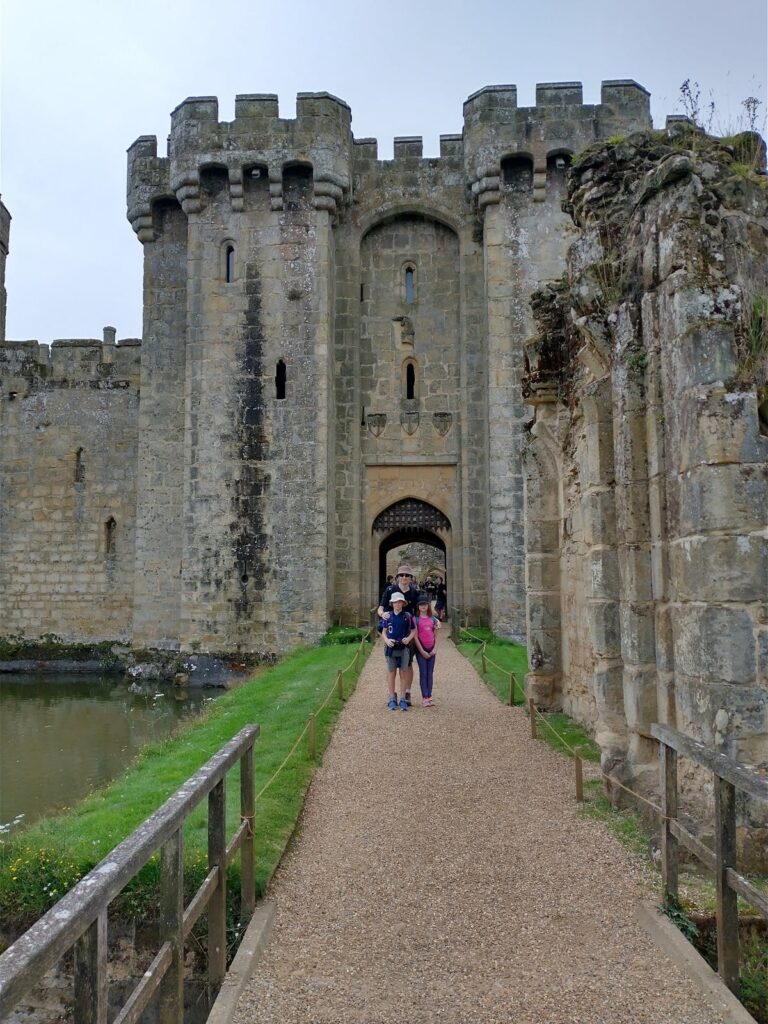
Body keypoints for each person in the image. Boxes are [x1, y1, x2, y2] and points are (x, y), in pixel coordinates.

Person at [377, 565, 420, 704]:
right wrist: (383, 614)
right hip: (392, 632)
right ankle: (392, 695)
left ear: (411, 578)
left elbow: (421, 611)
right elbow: (380, 608)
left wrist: (433, 620)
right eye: (401, 575)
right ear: (397, 577)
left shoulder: (414, 592)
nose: (404, 578)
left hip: (408, 633)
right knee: (391, 666)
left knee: (408, 664)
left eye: (407, 575)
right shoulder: (390, 590)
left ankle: (406, 692)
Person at [381, 592, 416, 711]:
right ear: (392, 603)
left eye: (399, 601)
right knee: (391, 673)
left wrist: (408, 639)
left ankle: (402, 699)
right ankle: (391, 698)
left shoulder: (407, 616)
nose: (397, 604)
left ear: (403, 603)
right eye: (395, 602)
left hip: (403, 648)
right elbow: (384, 632)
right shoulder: (388, 616)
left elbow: (413, 630)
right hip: (391, 648)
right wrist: (386, 640)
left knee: (403, 673)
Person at [413, 593, 440, 706]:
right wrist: (422, 651)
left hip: (431, 649)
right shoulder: (416, 619)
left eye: (425, 604)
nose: (423, 606)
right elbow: (415, 636)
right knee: (423, 673)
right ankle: (424, 697)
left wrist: (435, 649)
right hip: (422, 650)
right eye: (421, 605)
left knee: (430, 673)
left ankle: (429, 695)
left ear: (428, 606)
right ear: (418, 607)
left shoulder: (433, 619)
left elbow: (436, 636)